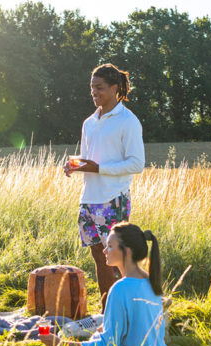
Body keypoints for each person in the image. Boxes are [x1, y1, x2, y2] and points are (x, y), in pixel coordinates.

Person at [38, 223, 167, 346]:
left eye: (110, 246)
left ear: (126, 252)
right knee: (98, 329)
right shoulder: (151, 281)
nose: (104, 250)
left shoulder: (120, 288)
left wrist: (60, 344)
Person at [65, 63, 145, 310]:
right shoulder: (89, 122)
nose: (94, 93)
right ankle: (107, 311)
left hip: (113, 198)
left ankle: (133, 309)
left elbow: (137, 163)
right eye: (92, 88)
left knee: (119, 260)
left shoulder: (128, 121)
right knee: (100, 258)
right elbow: (89, 157)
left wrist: (97, 168)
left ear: (114, 88)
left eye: (99, 88)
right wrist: (74, 164)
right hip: (88, 198)